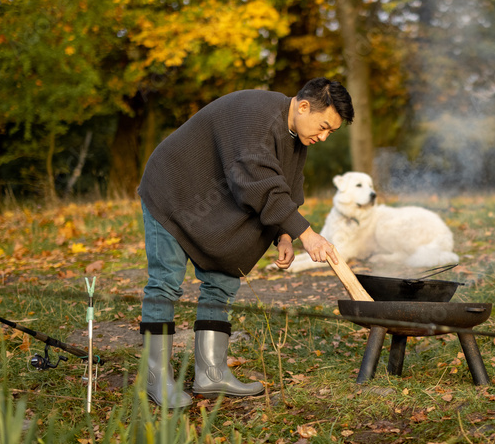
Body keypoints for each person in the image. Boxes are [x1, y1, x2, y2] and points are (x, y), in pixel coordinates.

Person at [136, 78, 354, 408]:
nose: (323, 137)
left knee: (223, 277)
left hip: (212, 200)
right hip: (173, 190)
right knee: (165, 281)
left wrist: (284, 234)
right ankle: (155, 378)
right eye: (324, 126)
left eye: (331, 133)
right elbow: (258, 183)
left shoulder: (296, 136)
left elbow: (287, 186)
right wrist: (306, 234)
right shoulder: (255, 115)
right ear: (304, 106)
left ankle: (210, 374)